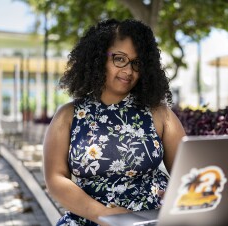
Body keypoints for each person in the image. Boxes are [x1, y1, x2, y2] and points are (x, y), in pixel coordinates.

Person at [43, 18, 186, 226]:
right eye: (119, 59)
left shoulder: (159, 114)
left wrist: (176, 198)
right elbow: (55, 179)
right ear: (99, 58)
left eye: (136, 63)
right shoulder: (68, 115)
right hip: (88, 220)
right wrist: (105, 216)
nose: (128, 71)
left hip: (150, 220)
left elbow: (188, 173)